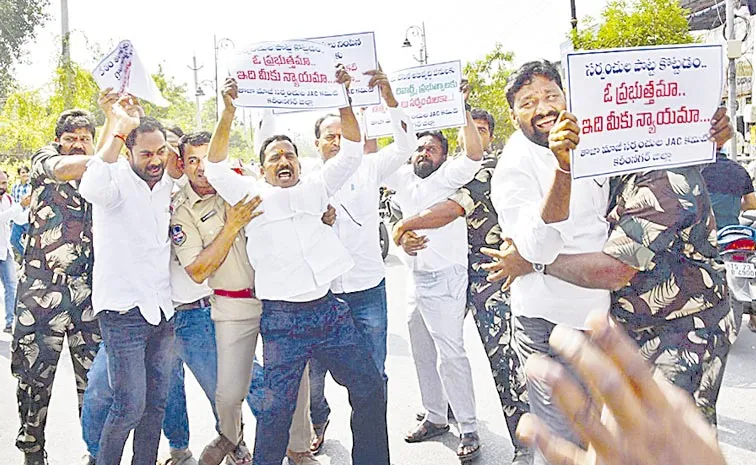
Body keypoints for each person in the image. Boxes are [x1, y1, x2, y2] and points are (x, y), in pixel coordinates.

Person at [483, 68, 736, 428]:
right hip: (624, 326)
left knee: (673, 438)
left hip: (683, 328)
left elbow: (614, 270)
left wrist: (532, 262)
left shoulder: (664, 178)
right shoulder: (608, 158)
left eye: (552, 95)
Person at [203, 72, 389, 465]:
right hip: (283, 322)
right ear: (262, 169)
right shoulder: (250, 196)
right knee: (275, 414)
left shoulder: (317, 187)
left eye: (289, 155)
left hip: (328, 312)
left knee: (370, 388)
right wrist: (228, 111)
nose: (283, 160)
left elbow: (353, 151)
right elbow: (216, 168)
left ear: (300, 165)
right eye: (274, 158)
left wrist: (343, 95)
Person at [391, 102, 531, 464]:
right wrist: (404, 234)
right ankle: (436, 415)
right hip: (429, 275)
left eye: (484, 130)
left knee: (498, 355)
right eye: (472, 128)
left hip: (486, 274)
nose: (478, 135)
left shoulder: (485, 171)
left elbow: (451, 210)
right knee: (423, 345)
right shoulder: (427, 176)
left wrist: (405, 227)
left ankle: (515, 440)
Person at [171, 131, 318, 465]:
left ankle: (298, 448)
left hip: (278, 296)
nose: (201, 168)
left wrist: (321, 216)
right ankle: (232, 439)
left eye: (208, 159)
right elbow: (198, 270)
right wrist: (232, 226)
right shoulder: (182, 210)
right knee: (230, 389)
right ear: (182, 164)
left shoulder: (246, 183)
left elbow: (293, 204)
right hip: (232, 303)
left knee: (294, 377)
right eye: (193, 160)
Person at [306, 68, 416, 455]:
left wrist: (389, 95)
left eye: (344, 134)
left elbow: (405, 146)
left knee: (371, 382)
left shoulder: (370, 168)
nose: (337, 142)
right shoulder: (306, 182)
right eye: (330, 136)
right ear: (316, 143)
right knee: (311, 384)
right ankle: (315, 423)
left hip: (367, 291)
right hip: (320, 297)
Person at [79, 97, 182, 465]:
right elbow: (90, 185)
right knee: (128, 406)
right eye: (145, 154)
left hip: (162, 310)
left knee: (155, 405)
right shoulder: (114, 182)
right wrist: (119, 125)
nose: (154, 160)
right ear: (128, 152)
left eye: (160, 152)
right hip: (123, 312)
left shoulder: (167, 181)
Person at [385, 94, 484, 461]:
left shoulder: (449, 175)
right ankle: (436, 415)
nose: (425, 152)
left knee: (450, 353)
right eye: (421, 148)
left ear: (444, 156)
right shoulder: (404, 177)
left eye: (433, 148)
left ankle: (469, 426)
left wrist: (462, 109)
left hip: (446, 278)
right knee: (421, 350)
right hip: (417, 278)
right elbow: (369, 158)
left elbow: (473, 153)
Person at [10, 108, 103, 465]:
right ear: (58, 141)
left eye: (85, 139)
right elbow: (65, 168)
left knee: (96, 383)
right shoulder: (44, 160)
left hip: (89, 296)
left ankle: (96, 452)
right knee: (33, 380)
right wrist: (105, 154)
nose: (78, 145)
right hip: (40, 294)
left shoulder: (103, 173)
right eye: (71, 139)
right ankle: (33, 452)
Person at [515, 311, 727, 465]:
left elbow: (624, 262)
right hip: (623, 329)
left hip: (679, 328)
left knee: (668, 436)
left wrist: (538, 265)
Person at [701, 149, 756, 332]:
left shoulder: (698, 170)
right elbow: (752, 202)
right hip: (732, 233)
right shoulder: (739, 169)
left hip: (705, 232)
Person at [0, 170, 29, 332]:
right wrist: (21, 205)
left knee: (12, 286)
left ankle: (10, 322)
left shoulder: (8, 199)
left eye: (4, 183)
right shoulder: (14, 202)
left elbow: (18, 219)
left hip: (4, 251)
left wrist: (31, 209)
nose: (2, 186)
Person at [10, 165, 31, 257]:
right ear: (19, 175)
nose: (25, 174)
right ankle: (26, 256)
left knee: (33, 241)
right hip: (17, 218)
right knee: (13, 240)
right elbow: (12, 201)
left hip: (28, 218)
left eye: (27, 172)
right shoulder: (15, 187)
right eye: (23, 172)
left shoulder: (31, 186)